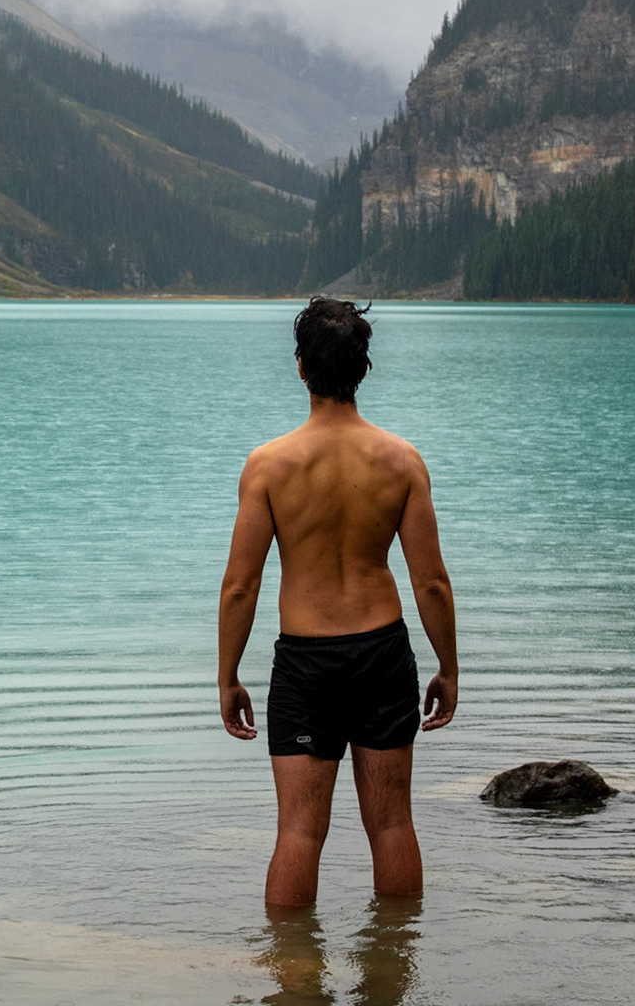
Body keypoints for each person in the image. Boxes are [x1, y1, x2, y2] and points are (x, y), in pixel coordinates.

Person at [217, 297, 458, 907]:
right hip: (383, 651)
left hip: (305, 662)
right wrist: (448, 668)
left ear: (301, 367)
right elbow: (431, 581)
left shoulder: (269, 466)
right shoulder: (402, 461)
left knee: (298, 831)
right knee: (393, 825)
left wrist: (228, 677)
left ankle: (294, 982)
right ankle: (393, 972)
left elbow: (240, 586)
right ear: (363, 367)